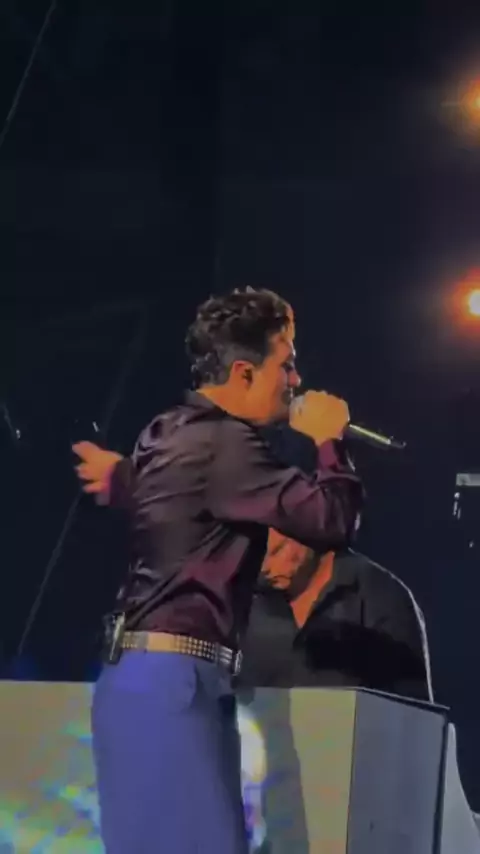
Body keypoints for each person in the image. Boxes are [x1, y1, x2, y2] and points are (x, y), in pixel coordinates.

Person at [73, 287, 362, 854]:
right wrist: (330, 441)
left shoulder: (165, 429)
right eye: (287, 363)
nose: (297, 379)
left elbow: (178, 496)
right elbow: (332, 520)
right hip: (177, 683)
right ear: (243, 373)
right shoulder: (229, 444)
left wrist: (124, 478)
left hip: (138, 681)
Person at [238, 530, 433, 702]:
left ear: (310, 534)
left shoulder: (381, 594)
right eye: (259, 553)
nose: (265, 568)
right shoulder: (248, 600)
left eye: (277, 551)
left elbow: (413, 713)